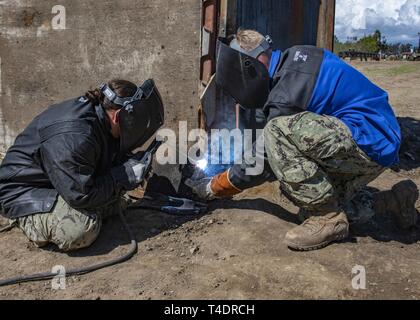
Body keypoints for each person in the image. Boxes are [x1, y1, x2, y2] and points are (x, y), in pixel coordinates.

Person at [187, 29, 419, 251]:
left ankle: (327, 218)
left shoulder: (289, 91)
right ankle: (393, 202)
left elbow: (263, 159)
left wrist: (215, 186)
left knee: (277, 133)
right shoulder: (294, 60)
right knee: (303, 196)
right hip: (376, 139)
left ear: (252, 65)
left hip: (368, 138)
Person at [0, 79, 164, 251]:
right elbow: (81, 196)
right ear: (118, 116)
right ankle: (22, 219)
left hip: (59, 183)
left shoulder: (99, 116)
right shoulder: (75, 137)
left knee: (116, 201)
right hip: (21, 192)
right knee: (81, 228)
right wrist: (123, 176)